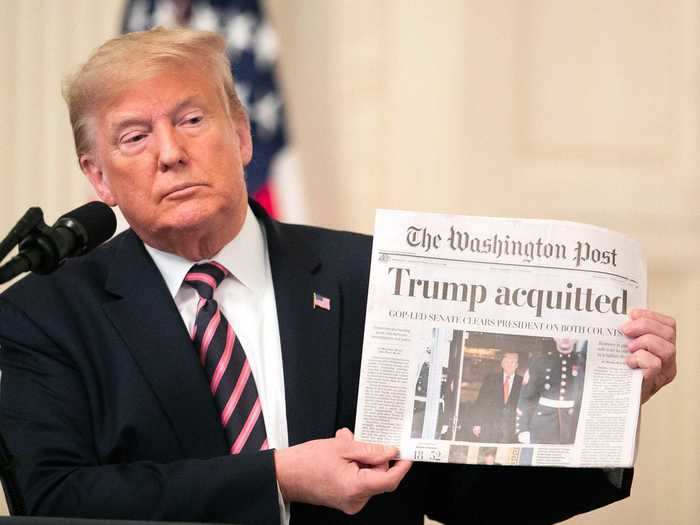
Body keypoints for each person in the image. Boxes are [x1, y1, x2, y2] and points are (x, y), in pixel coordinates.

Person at [0, 27, 677, 525]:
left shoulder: (369, 273)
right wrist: (278, 478)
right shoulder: (44, 313)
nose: (171, 153)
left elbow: (464, 495)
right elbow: (53, 500)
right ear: (97, 176)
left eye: (192, 119)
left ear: (241, 136)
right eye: (134, 137)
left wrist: (605, 408)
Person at [516, 338, 586, 444]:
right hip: (543, 422)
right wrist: (523, 428)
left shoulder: (583, 362)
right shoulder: (540, 361)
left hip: (572, 424)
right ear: (554, 337)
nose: (566, 338)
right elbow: (527, 397)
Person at [471, 352, 523, 443]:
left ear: (517, 365)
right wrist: (477, 423)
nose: (510, 364)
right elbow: (480, 402)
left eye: (513, 362)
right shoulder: (490, 379)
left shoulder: (522, 383)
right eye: (507, 361)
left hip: (512, 431)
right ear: (502, 363)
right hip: (490, 427)